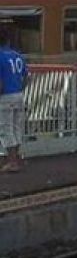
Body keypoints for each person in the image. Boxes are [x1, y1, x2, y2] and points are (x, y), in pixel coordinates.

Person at [0, 29, 29, 172]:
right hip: (18, 94)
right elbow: (26, 77)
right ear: (8, 41)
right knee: (16, 127)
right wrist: (19, 88)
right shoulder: (18, 55)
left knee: (6, 129)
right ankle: (15, 159)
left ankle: (11, 162)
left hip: (5, 96)